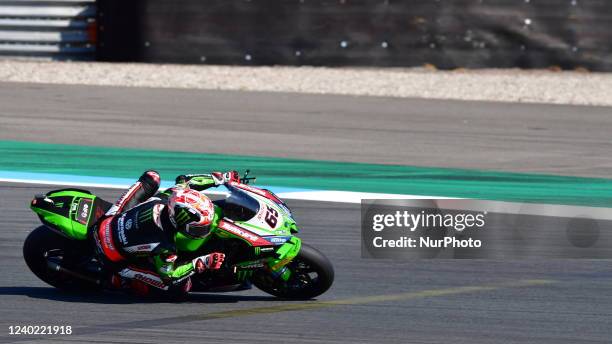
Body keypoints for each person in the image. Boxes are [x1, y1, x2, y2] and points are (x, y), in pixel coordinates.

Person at [93, 170, 240, 296]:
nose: (203, 232)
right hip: (110, 254)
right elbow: (170, 275)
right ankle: (119, 281)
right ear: (178, 220)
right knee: (179, 288)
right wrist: (201, 262)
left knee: (152, 176)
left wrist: (221, 178)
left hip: (111, 218)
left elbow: (185, 180)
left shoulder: (169, 197)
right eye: (198, 229)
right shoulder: (165, 245)